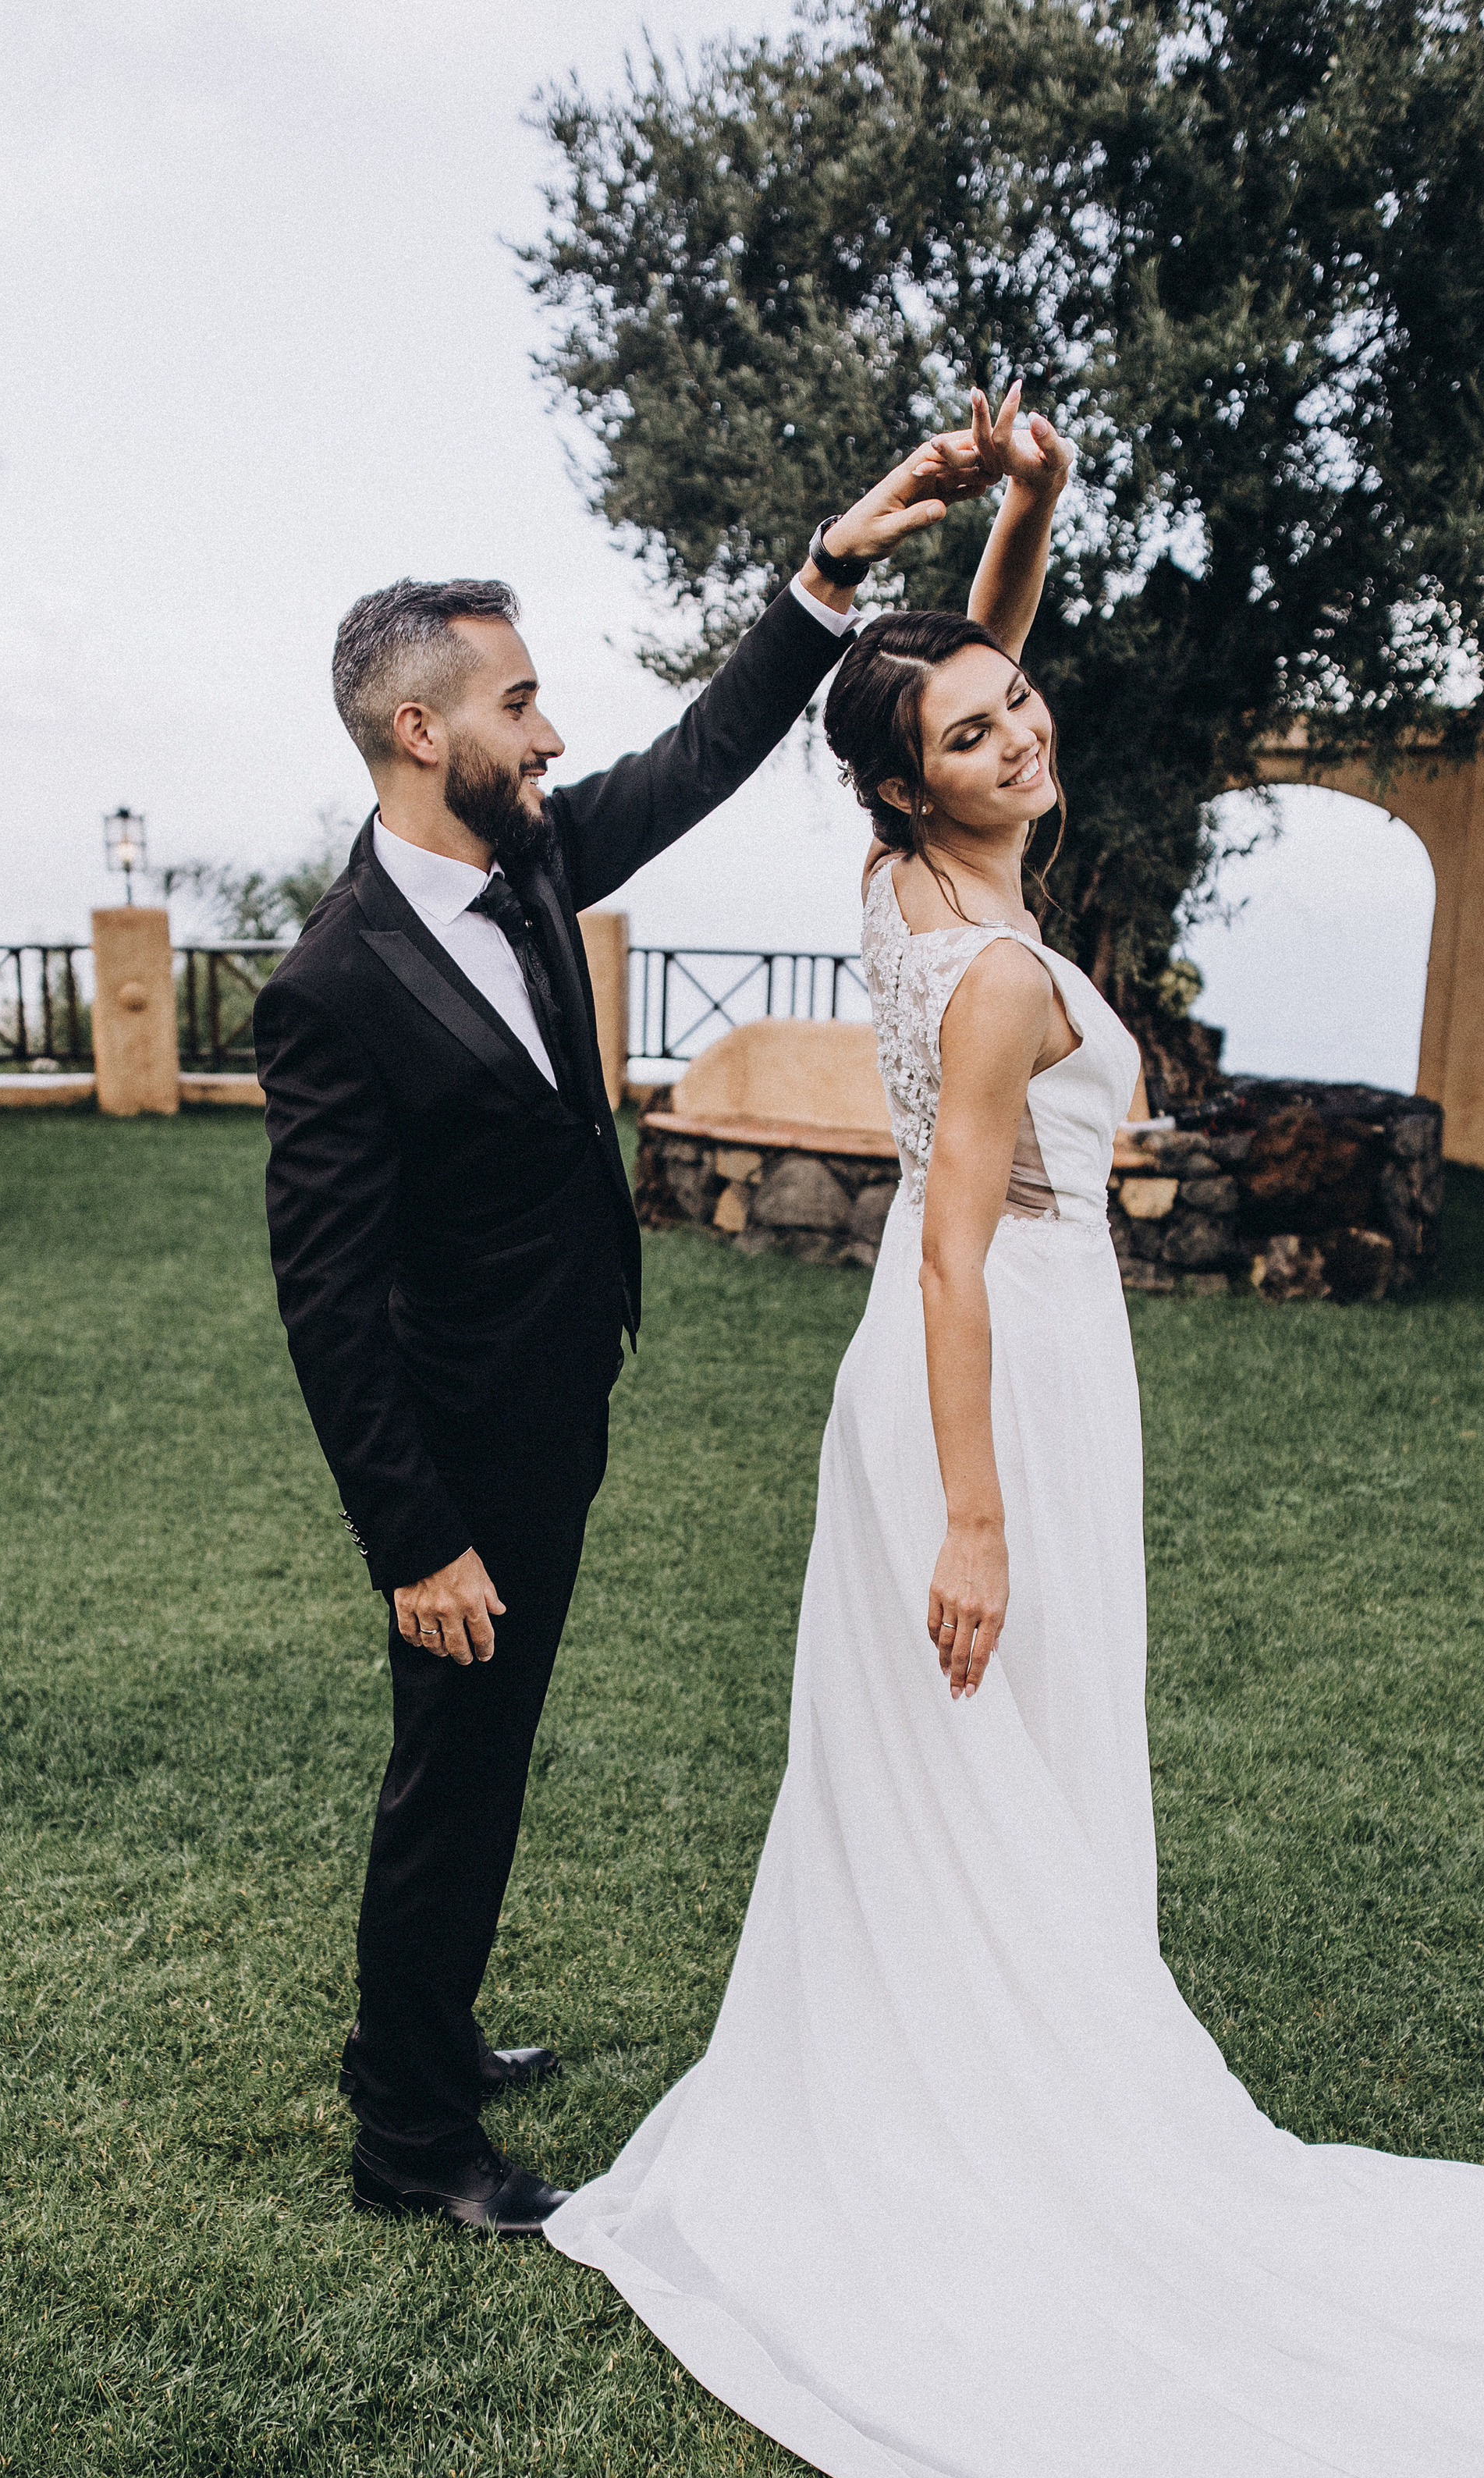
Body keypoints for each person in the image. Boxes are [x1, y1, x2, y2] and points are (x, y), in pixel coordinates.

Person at [549, 409, 1484, 2478]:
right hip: (992, 1375)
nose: (1020, 728)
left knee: (974, 1776)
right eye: (976, 729)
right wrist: (979, 1519)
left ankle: (955, 2061)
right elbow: (945, 1253)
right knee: (992, 1733)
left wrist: (1012, 507)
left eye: (1016, 703)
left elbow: (960, 663)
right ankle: (998, 2137)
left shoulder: (915, 877)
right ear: (910, 787)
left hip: (988, 1370)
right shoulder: (1000, 971)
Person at [255, 403, 1046, 2236]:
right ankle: (407, 2139)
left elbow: (704, 750)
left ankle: (427, 2033)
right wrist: (414, 1538)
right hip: (457, 1445)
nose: (548, 732)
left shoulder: (527, 859)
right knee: (452, 1771)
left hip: (557, 1403)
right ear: (420, 731)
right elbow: (324, 1300)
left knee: (488, 1755)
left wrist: (838, 558)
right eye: (519, 702)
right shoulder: (331, 989)